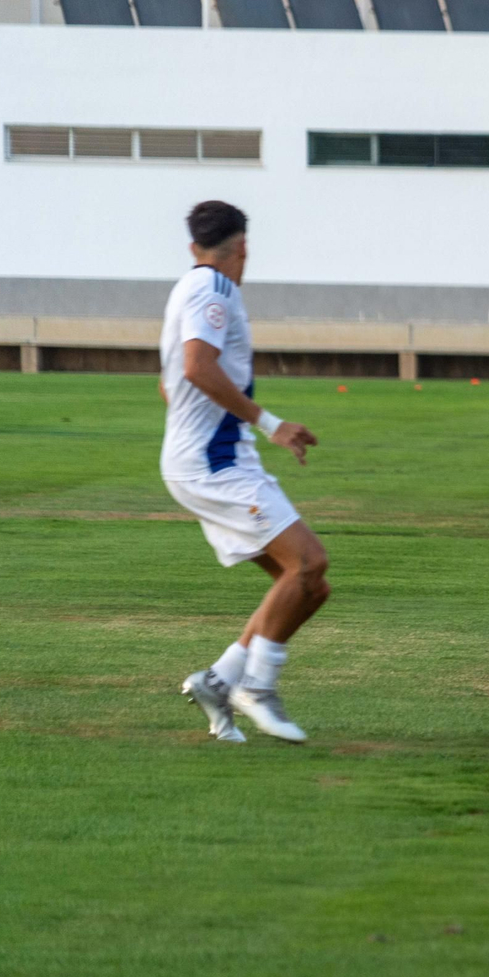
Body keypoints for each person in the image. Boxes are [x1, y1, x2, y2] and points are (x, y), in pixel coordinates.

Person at [161, 201, 329, 743]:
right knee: (308, 562)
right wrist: (269, 423)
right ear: (244, 248)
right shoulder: (213, 289)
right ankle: (256, 688)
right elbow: (196, 367)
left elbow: (169, 382)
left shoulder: (187, 287)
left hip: (212, 459)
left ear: (194, 247)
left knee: (307, 586)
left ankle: (217, 681)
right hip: (214, 465)